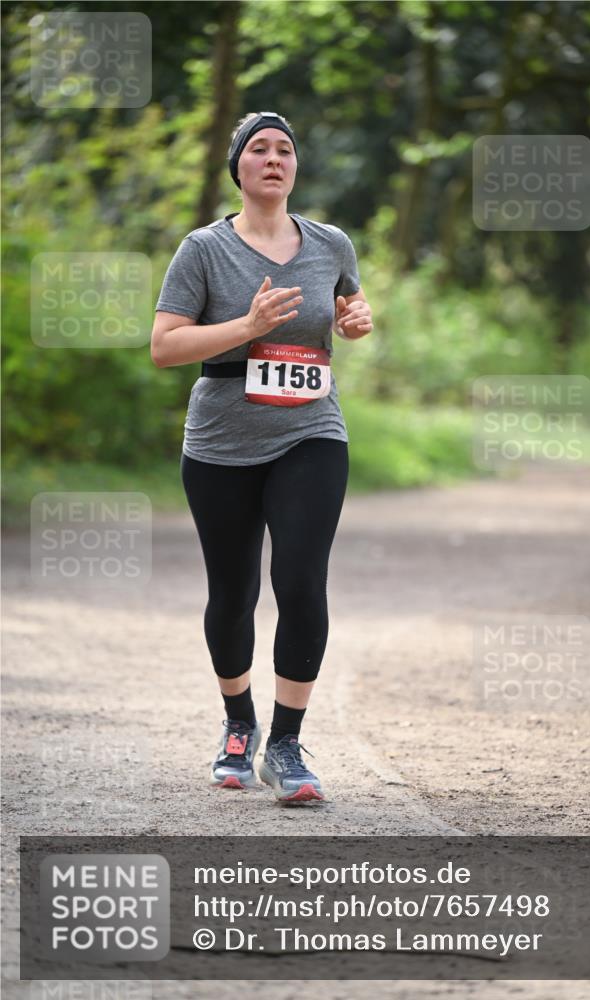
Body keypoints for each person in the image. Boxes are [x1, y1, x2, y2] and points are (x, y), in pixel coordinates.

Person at [151, 111, 373, 803]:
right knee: (233, 590)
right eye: (259, 149)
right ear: (238, 168)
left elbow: (349, 312)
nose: (273, 158)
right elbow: (164, 347)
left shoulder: (331, 243)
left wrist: (356, 321)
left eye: (285, 149)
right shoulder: (203, 250)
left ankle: (286, 743)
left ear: (294, 167)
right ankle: (238, 723)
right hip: (221, 438)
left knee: (302, 579)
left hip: (310, 429)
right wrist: (244, 328)